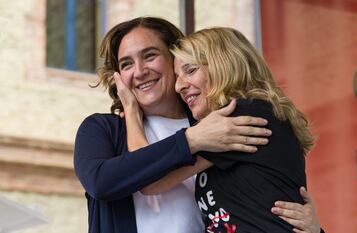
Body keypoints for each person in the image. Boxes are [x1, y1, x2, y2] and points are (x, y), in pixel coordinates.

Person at [74, 16, 322, 233]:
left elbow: (265, 198)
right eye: (126, 64)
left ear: (174, 60)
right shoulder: (103, 129)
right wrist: (133, 114)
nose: (139, 72)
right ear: (118, 77)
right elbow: (101, 182)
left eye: (150, 56)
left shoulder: (221, 121)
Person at [170, 26, 316, 232]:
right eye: (177, 76)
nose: (179, 86)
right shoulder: (250, 113)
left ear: (224, 64)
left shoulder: (243, 115)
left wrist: (132, 113)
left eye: (190, 70)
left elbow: (153, 182)